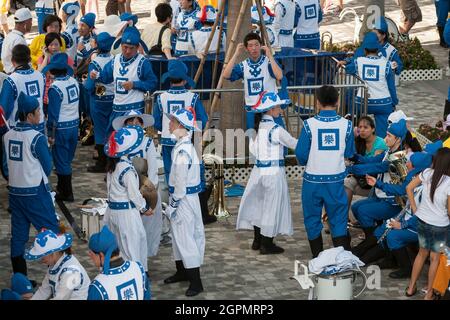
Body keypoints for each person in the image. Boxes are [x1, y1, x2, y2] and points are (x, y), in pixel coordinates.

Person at [2, 93, 60, 276]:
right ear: (29, 115)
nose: (40, 115)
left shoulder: (7, 135)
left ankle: (21, 281)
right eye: (37, 111)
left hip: (15, 194)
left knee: (18, 237)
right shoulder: (36, 137)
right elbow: (47, 167)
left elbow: (5, 166)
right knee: (53, 232)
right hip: (35, 193)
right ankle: (60, 277)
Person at [295, 85, 355, 257]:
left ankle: (318, 258)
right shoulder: (347, 125)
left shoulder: (309, 125)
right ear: (337, 101)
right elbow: (350, 153)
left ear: (318, 102)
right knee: (338, 219)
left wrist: (311, 161)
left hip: (312, 181)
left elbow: (300, 153)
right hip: (336, 181)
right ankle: (342, 260)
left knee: (312, 219)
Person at [237, 92, 298, 254]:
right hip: (273, 171)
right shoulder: (275, 129)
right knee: (271, 206)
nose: (280, 110)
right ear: (271, 110)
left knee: (259, 205)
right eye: (278, 107)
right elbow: (294, 144)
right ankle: (267, 244)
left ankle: (257, 241)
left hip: (258, 171)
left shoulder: (258, 128)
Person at [348, 119, 408, 256]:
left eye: (389, 136)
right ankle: (372, 241)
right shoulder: (389, 151)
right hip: (382, 197)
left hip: (395, 202)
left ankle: (373, 243)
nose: (385, 138)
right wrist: (354, 156)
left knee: (363, 211)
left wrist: (351, 169)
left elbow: (376, 167)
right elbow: (370, 161)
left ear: (398, 139)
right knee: (356, 207)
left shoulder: (398, 157)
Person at [163, 108, 205, 297]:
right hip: (188, 198)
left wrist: (173, 205)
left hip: (183, 200)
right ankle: (182, 272)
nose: (170, 124)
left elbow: (180, 183)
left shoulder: (182, 151)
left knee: (185, 237)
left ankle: (196, 283)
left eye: (172, 121)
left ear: (181, 125)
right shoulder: (185, 146)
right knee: (180, 236)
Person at [111, 110, 163, 261]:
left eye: (138, 121)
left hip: (146, 193)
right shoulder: (121, 144)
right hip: (125, 196)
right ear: (125, 125)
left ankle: (142, 263)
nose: (134, 123)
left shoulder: (147, 142)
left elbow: (152, 171)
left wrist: (146, 195)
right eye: (130, 121)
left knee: (144, 232)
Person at [104, 125, 153, 273]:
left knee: (118, 250)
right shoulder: (127, 169)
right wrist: (145, 208)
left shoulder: (113, 166)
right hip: (127, 214)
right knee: (134, 250)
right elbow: (134, 194)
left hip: (112, 212)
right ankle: (138, 282)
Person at [90, 26, 157, 132]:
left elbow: (152, 83)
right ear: (121, 45)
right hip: (117, 108)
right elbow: (106, 77)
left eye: (131, 48)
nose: (128, 51)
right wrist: (96, 75)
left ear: (138, 47)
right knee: (113, 140)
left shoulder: (143, 62)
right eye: (125, 47)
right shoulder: (115, 59)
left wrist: (134, 84)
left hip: (134, 110)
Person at [406, 147, 450, 300]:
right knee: (434, 258)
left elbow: (409, 188)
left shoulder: (426, 173)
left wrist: (414, 208)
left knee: (421, 254)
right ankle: (429, 293)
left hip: (422, 220)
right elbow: (449, 211)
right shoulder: (449, 182)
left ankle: (411, 288)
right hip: (440, 225)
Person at [223, 32, 283, 130]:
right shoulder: (243, 65)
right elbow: (226, 75)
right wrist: (236, 54)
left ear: (261, 46)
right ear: (246, 49)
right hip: (252, 108)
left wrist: (270, 56)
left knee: (276, 135)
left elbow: (279, 76)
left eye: (256, 45)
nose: (254, 48)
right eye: (250, 46)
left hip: (270, 107)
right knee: (253, 137)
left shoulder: (268, 62)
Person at [346, 32, 398, 138]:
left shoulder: (359, 61)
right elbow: (391, 86)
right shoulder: (386, 64)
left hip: (362, 102)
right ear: (378, 48)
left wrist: (349, 60)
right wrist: (394, 102)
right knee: (383, 133)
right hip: (383, 103)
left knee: (356, 119)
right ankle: (381, 149)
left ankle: (358, 140)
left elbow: (348, 69)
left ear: (364, 49)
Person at [45, 53, 80, 202]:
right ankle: (62, 188)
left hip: (62, 128)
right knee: (67, 159)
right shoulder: (73, 81)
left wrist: (50, 134)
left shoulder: (55, 88)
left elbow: (53, 114)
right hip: (74, 124)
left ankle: (66, 192)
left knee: (61, 160)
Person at [88, 226, 151, 300]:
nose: (90, 257)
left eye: (91, 254)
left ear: (101, 255)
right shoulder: (138, 268)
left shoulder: (98, 285)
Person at [25, 229, 90, 300]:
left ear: (53, 253)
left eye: (42, 256)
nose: (41, 260)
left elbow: (60, 298)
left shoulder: (71, 272)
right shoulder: (54, 263)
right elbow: (44, 290)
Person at [345, 116, 388, 218]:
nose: (362, 130)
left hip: (374, 178)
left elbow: (373, 165)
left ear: (373, 129)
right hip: (360, 176)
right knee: (345, 183)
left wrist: (354, 164)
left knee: (347, 183)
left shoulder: (380, 143)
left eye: (366, 127)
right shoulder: (358, 141)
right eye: (360, 127)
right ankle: (343, 217)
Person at [85, 32, 116, 173]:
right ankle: (111, 160)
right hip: (114, 98)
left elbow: (90, 86)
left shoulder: (95, 62)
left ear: (97, 45)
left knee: (100, 130)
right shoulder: (115, 59)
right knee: (111, 129)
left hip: (99, 98)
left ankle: (102, 162)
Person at [0, 45, 46, 133]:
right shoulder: (41, 76)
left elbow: (4, 110)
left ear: (13, 61)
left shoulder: (11, 80)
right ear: (29, 59)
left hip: (18, 130)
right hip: (39, 125)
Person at [38, 33, 75, 117]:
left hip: (62, 93)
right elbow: (39, 73)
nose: (54, 47)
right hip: (46, 96)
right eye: (51, 45)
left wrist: (54, 77)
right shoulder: (42, 58)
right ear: (46, 46)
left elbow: (71, 75)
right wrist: (46, 56)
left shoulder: (65, 58)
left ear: (60, 44)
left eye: (56, 44)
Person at [1, 7, 32, 74]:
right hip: (16, 75)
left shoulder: (10, 36)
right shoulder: (19, 40)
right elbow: (24, 64)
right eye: (30, 21)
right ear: (26, 23)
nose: (31, 24)